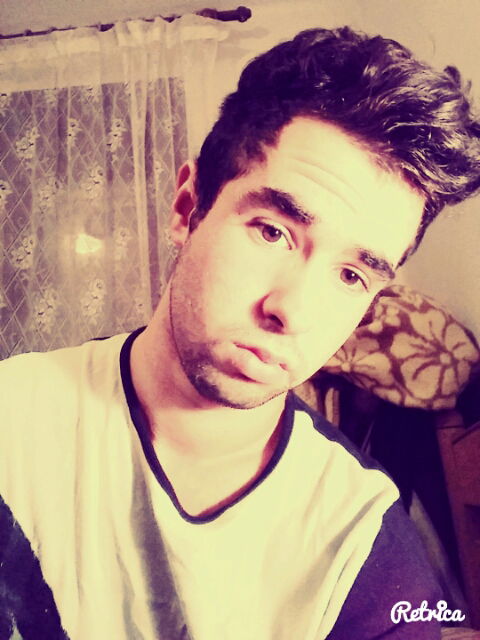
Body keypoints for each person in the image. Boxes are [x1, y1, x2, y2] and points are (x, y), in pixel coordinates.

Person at [1, 25, 479, 640]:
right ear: (188, 208)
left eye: (352, 275)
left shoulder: (364, 547)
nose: (293, 310)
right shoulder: (14, 424)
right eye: (273, 232)